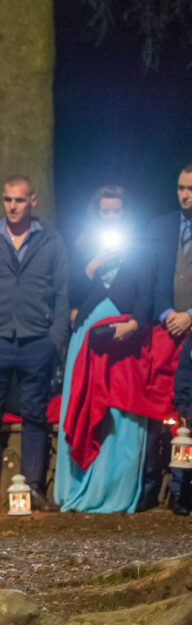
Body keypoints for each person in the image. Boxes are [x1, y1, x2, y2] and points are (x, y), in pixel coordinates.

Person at [0, 175, 69, 515]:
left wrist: (54, 340)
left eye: (19, 200)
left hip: (37, 342)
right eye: (7, 199)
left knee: (35, 416)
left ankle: (34, 489)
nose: (12, 206)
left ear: (32, 200)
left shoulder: (50, 240)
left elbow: (62, 292)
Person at [53, 186, 152, 512]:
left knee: (120, 411)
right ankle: (79, 485)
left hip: (125, 340)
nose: (110, 216)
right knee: (84, 404)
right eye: (105, 211)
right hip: (87, 339)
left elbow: (146, 294)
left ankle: (114, 487)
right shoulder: (82, 248)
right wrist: (92, 267)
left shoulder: (138, 250)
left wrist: (135, 324)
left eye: (116, 211)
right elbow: (70, 294)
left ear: (125, 214)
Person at [146, 164, 192, 514]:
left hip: (190, 325)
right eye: (180, 188)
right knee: (157, 407)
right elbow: (150, 278)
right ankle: (150, 486)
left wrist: (190, 314)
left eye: (191, 189)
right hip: (165, 330)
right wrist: (166, 314)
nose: (185, 195)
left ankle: (182, 487)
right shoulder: (161, 227)